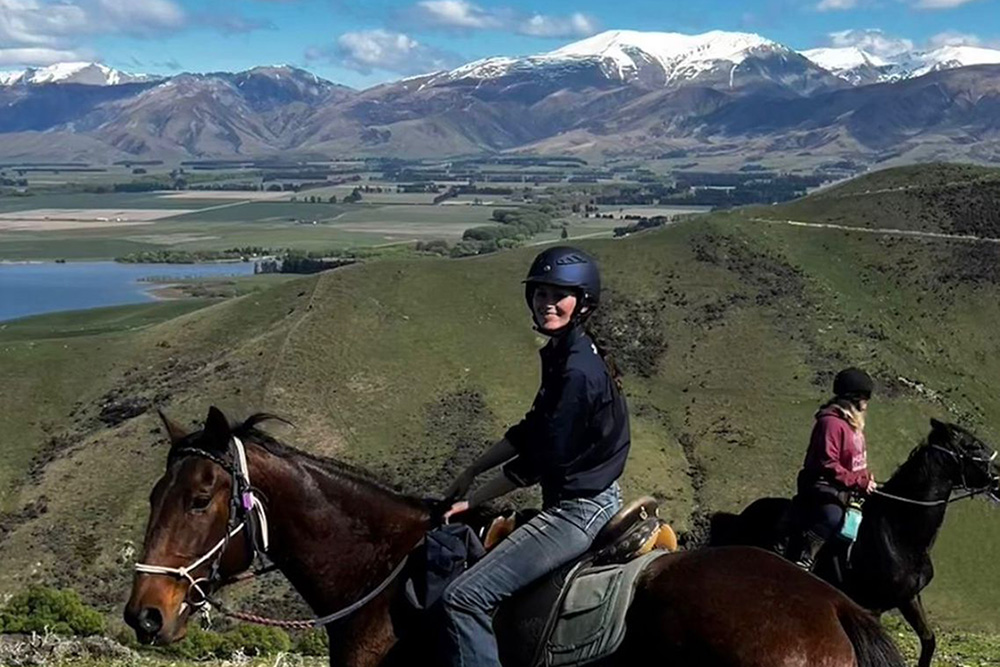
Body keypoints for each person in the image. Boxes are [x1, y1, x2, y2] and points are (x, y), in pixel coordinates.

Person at [438, 246, 630, 667]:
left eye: (558, 294)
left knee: (464, 597)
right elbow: (534, 428)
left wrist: (473, 501)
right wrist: (473, 469)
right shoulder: (570, 354)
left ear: (582, 302)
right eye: (540, 293)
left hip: (576, 511)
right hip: (595, 495)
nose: (547, 302)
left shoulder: (577, 371)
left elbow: (540, 458)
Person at [787, 367, 877, 571]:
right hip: (823, 484)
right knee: (832, 517)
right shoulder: (831, 424)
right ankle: (804, 559)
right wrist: (859, 482)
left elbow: (857, 462)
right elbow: (828, 464)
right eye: (865, 397)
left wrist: (867, 480)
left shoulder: (853, 425)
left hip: (848, 487)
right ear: (854, 397)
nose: (867, 402)